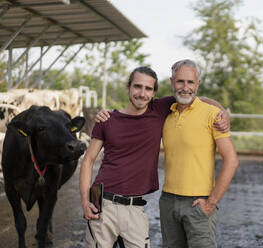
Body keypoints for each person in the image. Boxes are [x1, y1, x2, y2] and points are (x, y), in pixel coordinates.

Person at [80, 66, 229, 248]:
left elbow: (195, 98)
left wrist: (224, 113)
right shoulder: (107, 119)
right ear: (128, 87)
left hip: (135, 207)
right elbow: (88, 161)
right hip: (101, 202)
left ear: (154, 93)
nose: (142, 93)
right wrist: (85, 201)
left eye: (148, 88)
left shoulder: (159, 110)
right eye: (137, 87)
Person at [159, 59, 239, 247]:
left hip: (199, 204)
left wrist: (211, 203)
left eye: (190, 82)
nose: (185, 87)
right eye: (180, 81)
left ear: (198, 84)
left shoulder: (212, 115)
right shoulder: (165, 115)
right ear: (172, 82)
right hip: (168, 202)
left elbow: (232, 161)